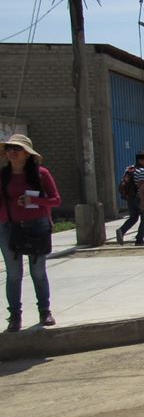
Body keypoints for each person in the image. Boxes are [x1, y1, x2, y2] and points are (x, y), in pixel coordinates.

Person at [0, 134, 62, 331]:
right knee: (13, 274)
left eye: (17, 149)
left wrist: (34, 201)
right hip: (9, 227)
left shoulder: (41, 173)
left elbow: (56, 200)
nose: (12, 152)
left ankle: (45, 311)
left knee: (38, 272)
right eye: (9, 148)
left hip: (36, 226)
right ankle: (15, 316)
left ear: (27, 154)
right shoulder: (3, 175)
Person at [116, 151, 144, 246]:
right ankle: (139, 239)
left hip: (130, 198)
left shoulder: (130, 169)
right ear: (140, 160)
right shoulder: (143, 171)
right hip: (141, 198)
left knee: (133, 217)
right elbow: (141, 186)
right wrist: (143, 201)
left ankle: (121, 231)